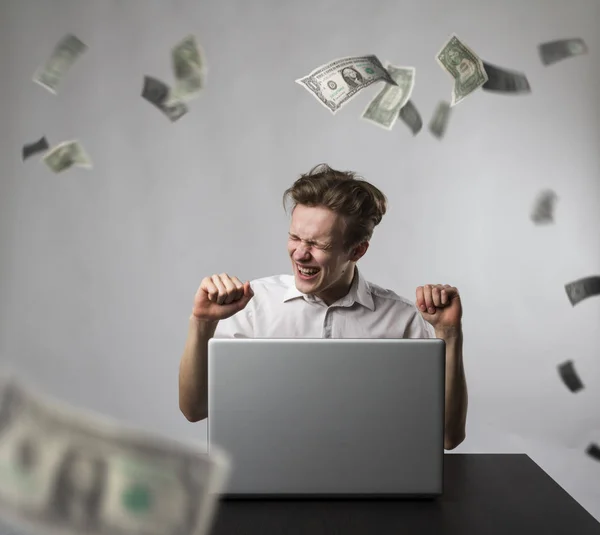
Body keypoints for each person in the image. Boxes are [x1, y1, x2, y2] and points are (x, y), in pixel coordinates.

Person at [179, 164, 468, 450]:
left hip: (368, 483)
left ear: (357, 250)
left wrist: (449, 334)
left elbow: (446, 437)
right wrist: (202, 323)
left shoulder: (401, 319)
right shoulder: (250, 305)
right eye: (294, 238)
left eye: (318, 245)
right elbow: (194, 410)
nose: (300, 254)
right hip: (269, 475)